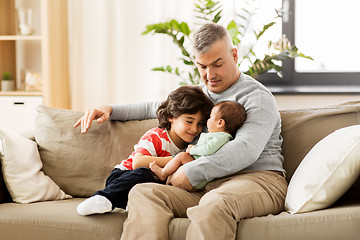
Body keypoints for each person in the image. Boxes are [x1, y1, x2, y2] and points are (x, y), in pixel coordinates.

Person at [75, 22, 288, 240]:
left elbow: (245, 149)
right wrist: (110, 109)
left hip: (257, 180)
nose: (209, 74)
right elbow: (156, 107)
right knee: (143, 192)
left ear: (234, 55)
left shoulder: (257, 97)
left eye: (217, 64)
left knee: (215, 203)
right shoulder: (202, 96)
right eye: (202, 66)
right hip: (206, 186)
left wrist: (191, 171)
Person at [75, 85, 214, 216]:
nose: (195, 129)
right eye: (189, 121)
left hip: (144, 188)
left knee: (162, 185)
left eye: (200, 124)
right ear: (171, 116)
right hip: (123, 177)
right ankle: (103, 197)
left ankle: (131, 203)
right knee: (146, 173)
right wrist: (175, 159)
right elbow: (138, 163)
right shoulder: (156, 136)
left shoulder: (190, 146)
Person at [149, 100, 246, 190]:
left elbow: (208, 150)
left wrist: (193, 149)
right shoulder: (218, 136)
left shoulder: (222, 137)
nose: (207, 121)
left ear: (220, 123)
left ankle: (163, 173)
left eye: (210, 117)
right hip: (195, 169)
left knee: (182, 156)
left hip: (197, 175)